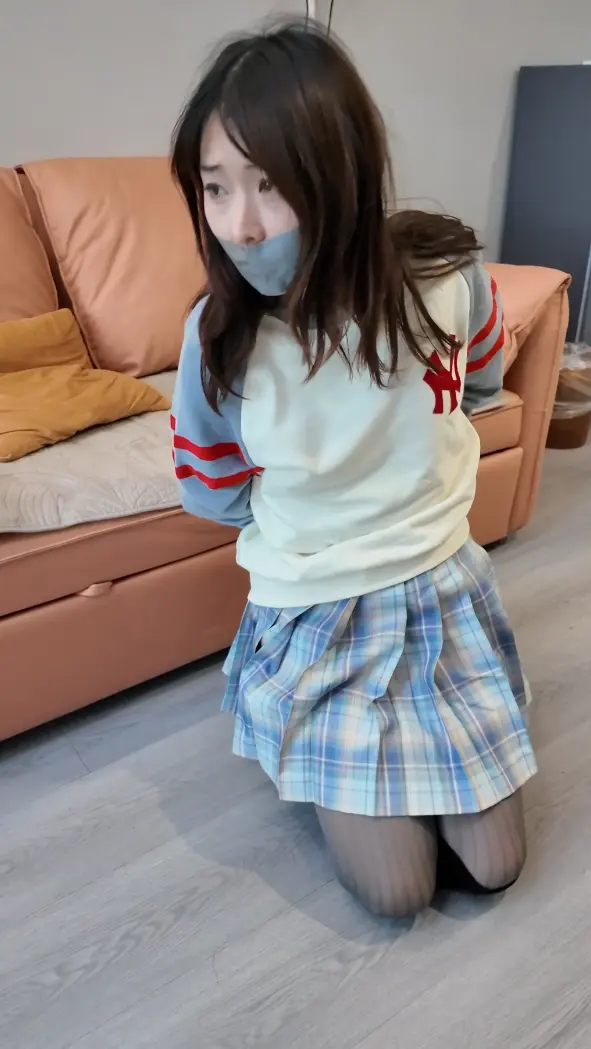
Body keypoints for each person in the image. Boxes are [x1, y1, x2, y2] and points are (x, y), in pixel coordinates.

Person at [170, 19, 537, 919]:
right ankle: (326, 744)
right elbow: (212, 488)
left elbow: (480, 379)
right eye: (215, 187)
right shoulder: (218, 338)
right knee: (397, 890)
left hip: (440, 592)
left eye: (271, 184)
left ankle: (391, 761)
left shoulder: (447, 276)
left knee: (493, 867)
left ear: (339, 173)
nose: (239, 225)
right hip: (321, 613)